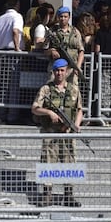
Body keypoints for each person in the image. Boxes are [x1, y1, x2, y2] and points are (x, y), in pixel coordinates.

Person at [31, 58, 83, 207]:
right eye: (57, 71)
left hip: (67, 133)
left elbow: (79, 110)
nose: (59, 73)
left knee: (70, 163)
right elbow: (35, 108)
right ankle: (47, 195)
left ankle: (68, 195)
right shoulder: (46, 89)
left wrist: (76, 125)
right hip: (50, 133)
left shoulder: (73, 89)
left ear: (66, 72)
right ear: (53, 72)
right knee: (48, 163)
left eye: (62, 70)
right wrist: (49, 113)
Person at [47, 6, 84, 86]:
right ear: (58, 17)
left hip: (71, 67)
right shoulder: (52, 31)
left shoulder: (75, 32)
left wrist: (78, 67)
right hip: (57, 68)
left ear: (69, 17)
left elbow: (81, 51)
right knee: (53, 89)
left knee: (72, 91)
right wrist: (52, 51)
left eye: (65, 16)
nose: (63, 19)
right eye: (61, 16)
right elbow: (44, 49)